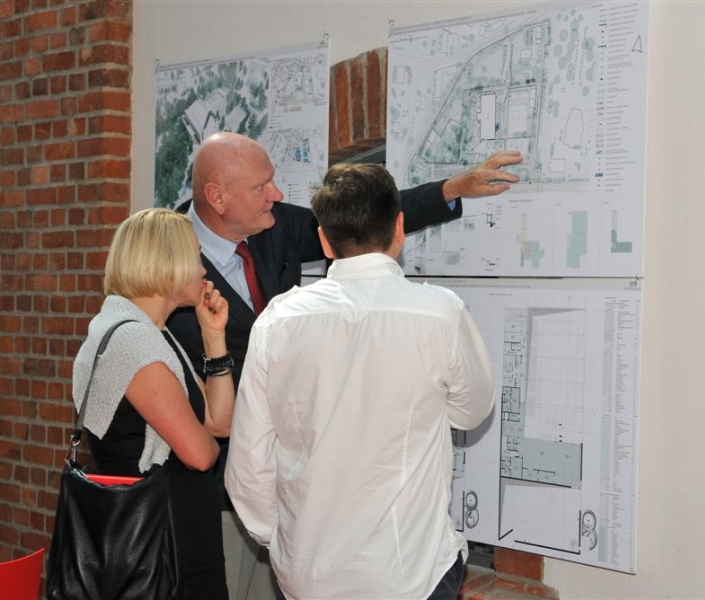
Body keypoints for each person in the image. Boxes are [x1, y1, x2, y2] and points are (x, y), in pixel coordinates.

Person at [164, 131, 520, 597]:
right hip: (397, 568)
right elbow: (471, 411)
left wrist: (452, 189)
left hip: (308, 561)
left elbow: (361, 216)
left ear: (323, 243)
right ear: (217, 197)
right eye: (261, 186)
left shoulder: (277, 259)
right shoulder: (167, 259)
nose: (277, 194)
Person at [72, 208, 235, 599]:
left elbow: (219, 423)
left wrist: (214, 337)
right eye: (195, 257)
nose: (203, 270)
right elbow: (201, 454)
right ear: (167, 266)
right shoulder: (133, 344)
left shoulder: (153, 335)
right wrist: (206, 444)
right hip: (161, 547)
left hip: (168, 535)